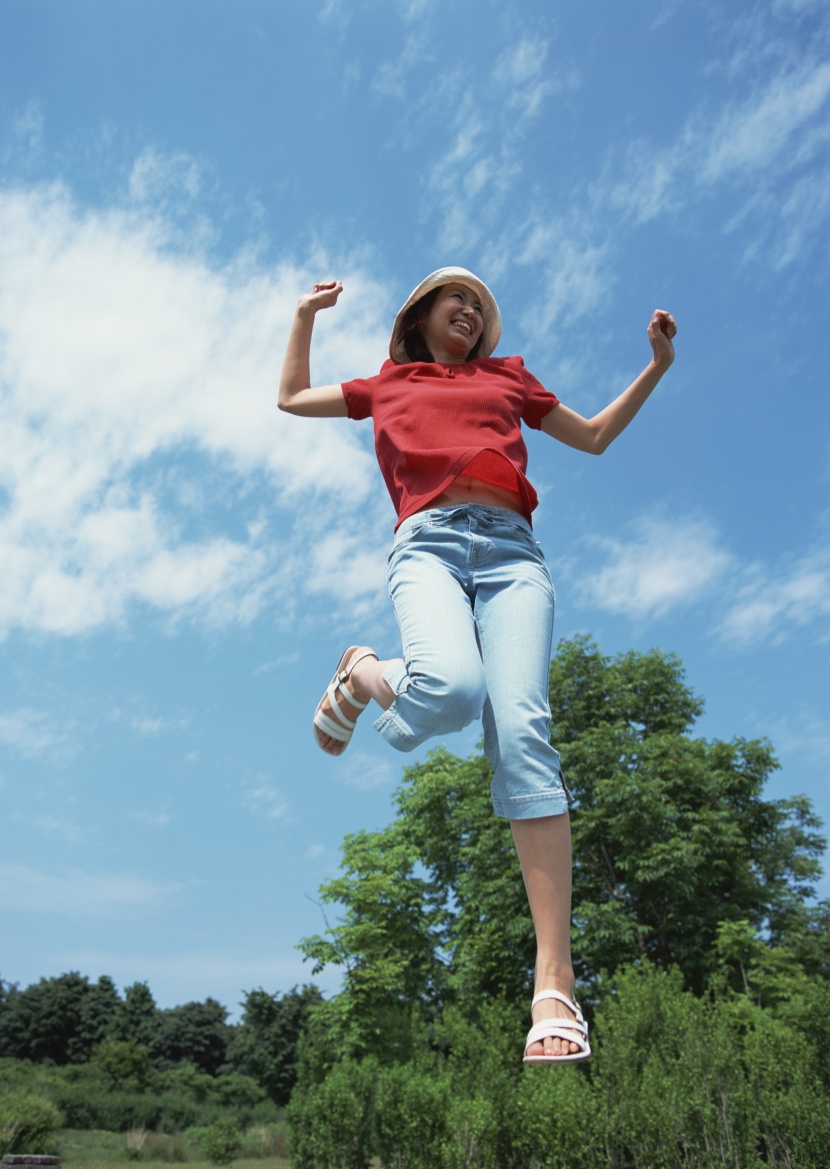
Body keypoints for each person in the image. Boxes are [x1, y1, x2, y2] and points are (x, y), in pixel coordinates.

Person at [279, 267, 677, 1063]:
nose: (471, 310)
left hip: (513, 556)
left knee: (524, 726)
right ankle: (362, 673)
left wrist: (657, 368)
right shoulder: (390, 384)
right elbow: (292, 397)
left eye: (481, 305)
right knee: (452, 690)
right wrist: (303, 316)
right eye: (456, 299)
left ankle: (554, 984)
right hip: (426, 543)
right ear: (420, 316)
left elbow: (593, 435)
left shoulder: (508, 377)